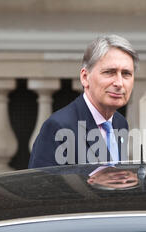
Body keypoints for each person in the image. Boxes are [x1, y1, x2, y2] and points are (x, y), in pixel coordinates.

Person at [28, 34, 137, 168]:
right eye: (109, 72)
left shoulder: (120, 123)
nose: (119, 83)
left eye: (126, 74)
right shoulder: (58, 127)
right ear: (85, 77)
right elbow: (41, 187)